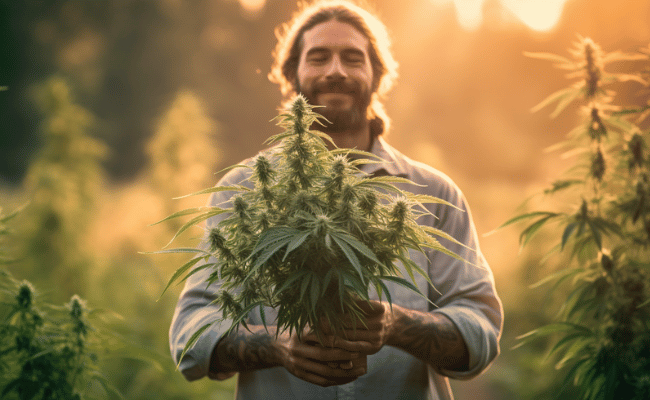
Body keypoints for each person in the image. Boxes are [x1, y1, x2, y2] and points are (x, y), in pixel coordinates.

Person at [169, 1, 502, 399]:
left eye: (352, 58)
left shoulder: (432, 195)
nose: (336, 71)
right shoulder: (244, 190)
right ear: (292, 73)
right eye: (319, 57)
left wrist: (396, 325)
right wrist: (278, 345)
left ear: (378, 74)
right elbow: (191, 334)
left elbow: (481, 331)